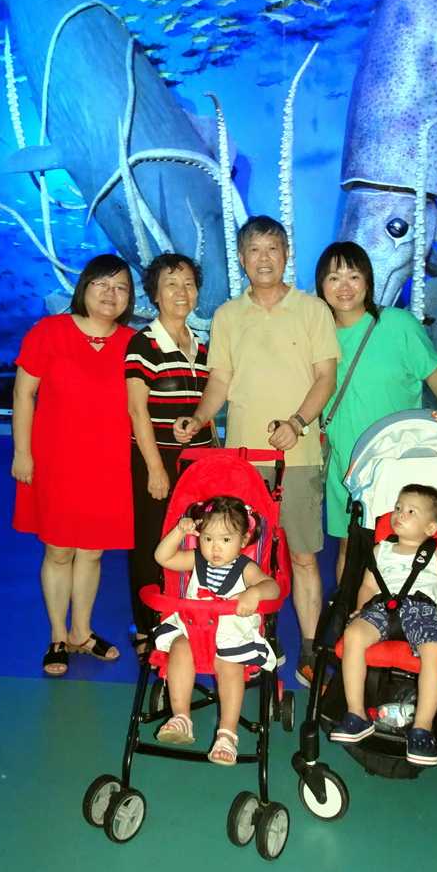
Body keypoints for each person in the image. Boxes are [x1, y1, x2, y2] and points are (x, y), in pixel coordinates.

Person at [175, 216, 339, 687]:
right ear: (242, 258)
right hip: (241, 463)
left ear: (287, 254)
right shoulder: (227, 316)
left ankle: (310, 647)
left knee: (304, 555)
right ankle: (258, 636)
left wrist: (297, 423)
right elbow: (219, 383)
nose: (264, 258)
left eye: (273, 248)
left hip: (300, 455)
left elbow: (324, 376)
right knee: (249, 555)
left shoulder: (313, 311)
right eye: (254, 250)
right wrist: (200, 419)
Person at [315, 241, 437, 583]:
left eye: (353, 276)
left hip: (399, 460)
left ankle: (404, 620)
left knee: (402, 545)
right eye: (334, 278)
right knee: (349, 546)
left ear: (368, 282)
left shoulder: (398, 324)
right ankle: (350, 617)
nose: (344, 287)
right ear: (321, 286)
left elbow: (433, 369)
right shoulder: (317, 334)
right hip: (345, 461)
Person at [11, 254, 136, 676]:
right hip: (57, 461)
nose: (110, 293)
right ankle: (57, 635)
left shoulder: (131, 342)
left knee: (93, 552)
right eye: (102, 284)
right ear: (84, 288)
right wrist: (22, 452)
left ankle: (83, 632)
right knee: (60, 549)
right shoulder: (50, 332)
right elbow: (23, 395)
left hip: (109, 464)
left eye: (120, 287)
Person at [329, 484, 437, 766]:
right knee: (353, 635)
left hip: (421, 610)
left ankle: (422, 728)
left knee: (434, 650)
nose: (399, 514)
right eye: (398, 507)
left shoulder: (436, 555)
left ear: (431, 528)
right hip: (380, 607)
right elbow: (367, 585)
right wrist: (361, 608)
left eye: (411, 511)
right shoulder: (380, 550)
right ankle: (356, 713)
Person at [125, 254, 213, 664]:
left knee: (190, 540)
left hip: (198, 465)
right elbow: (137, 410)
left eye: (189, 283)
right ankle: (145, 628)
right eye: (171, 284)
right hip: (155, 458)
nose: (182, 292)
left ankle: (181, 620)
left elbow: (204, 408)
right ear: (155, 294)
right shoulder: (143, 342)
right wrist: (156, 468)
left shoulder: (202, 345)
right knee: (150, 543)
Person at [153, 496, 281, 765]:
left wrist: (254, 593)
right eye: (208, 538)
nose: (215, 548)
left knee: (230, 665)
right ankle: (181, 718)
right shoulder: (196, 560)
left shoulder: (245, 568)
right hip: (192, 630)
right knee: (178, 647)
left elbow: (273, 587)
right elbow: (162, 557)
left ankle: (227, 733)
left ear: (243, 541)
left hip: (230, 635)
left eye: (225, 540)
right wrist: (179, 530)